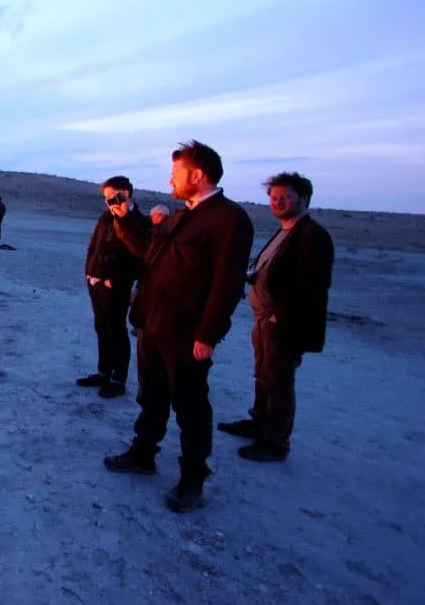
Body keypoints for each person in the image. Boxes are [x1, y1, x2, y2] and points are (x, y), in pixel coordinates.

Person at [102, 140, 254, 513]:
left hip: (186, 332)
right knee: (151, 397)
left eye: (176, 173)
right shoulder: (181, 214)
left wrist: (208, 334)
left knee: (190, 406)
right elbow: (147, 253)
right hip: (153, 322)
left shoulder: (228, 219)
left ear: (197, 175)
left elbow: (227, 285)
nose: (170, 179)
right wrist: (123, 218)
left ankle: (192, 481)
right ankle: (143, 454)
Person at [218, 172, 334, 462]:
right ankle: (259, 423)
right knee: (264, 375)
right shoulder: (287, 231)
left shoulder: (311, 236)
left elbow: (311, 286)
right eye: (273, 198)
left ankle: (276, 443)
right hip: (265, 319)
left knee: (279, 381)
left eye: (285, 197)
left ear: (304, 199)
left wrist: (279, 318)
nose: (278, 202)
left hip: (282, 324)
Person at [76, 176, 146, 398]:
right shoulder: (106, 217)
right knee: (102, 327)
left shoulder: (138, 221)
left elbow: (140, 256)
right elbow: (93, 245)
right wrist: (89, 272)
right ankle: (103, 372)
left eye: (112, 196)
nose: (109, 201)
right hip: (95, 280)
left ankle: (118, 379)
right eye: (106, 198)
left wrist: (116, 279)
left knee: (116, 329)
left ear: (125, 193)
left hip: (115, 285)